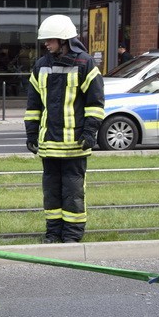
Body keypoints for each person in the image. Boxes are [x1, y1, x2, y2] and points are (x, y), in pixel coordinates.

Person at [24, 15, 105, 243]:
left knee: (73, 193)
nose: (46, 45)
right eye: (46, 41)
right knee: (51, 193)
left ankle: (71, 236)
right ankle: (53, 234)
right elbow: (33, 105)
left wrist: (90, 133)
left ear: (64, 40)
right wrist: (31, 134)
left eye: (50, 40)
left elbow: (95, 103)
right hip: (49, 144)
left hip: (75, 145)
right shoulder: (41, 65)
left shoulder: (85, 63)